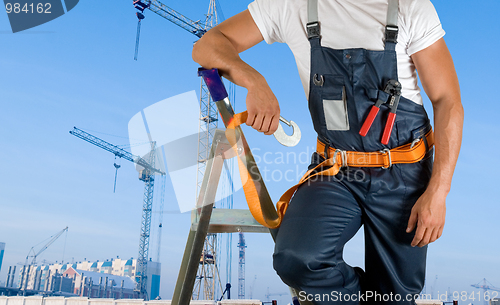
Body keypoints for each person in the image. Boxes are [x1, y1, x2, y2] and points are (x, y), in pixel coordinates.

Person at [192, 0, 463, 304]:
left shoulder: (409, 7)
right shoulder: (290, 5)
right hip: (335, 169)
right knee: (297, 258)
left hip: (404, 173)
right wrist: (254, 81)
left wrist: (438, 192)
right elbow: (208, 45)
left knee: (395, 296)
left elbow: (447, 101)